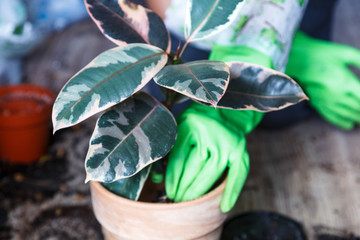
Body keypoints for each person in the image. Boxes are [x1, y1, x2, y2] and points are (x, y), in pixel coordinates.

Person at [147, 0, 360, 214]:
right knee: (173, 113)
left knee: (285, 115)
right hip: (186, 11)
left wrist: (277, 42)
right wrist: (265, 45)